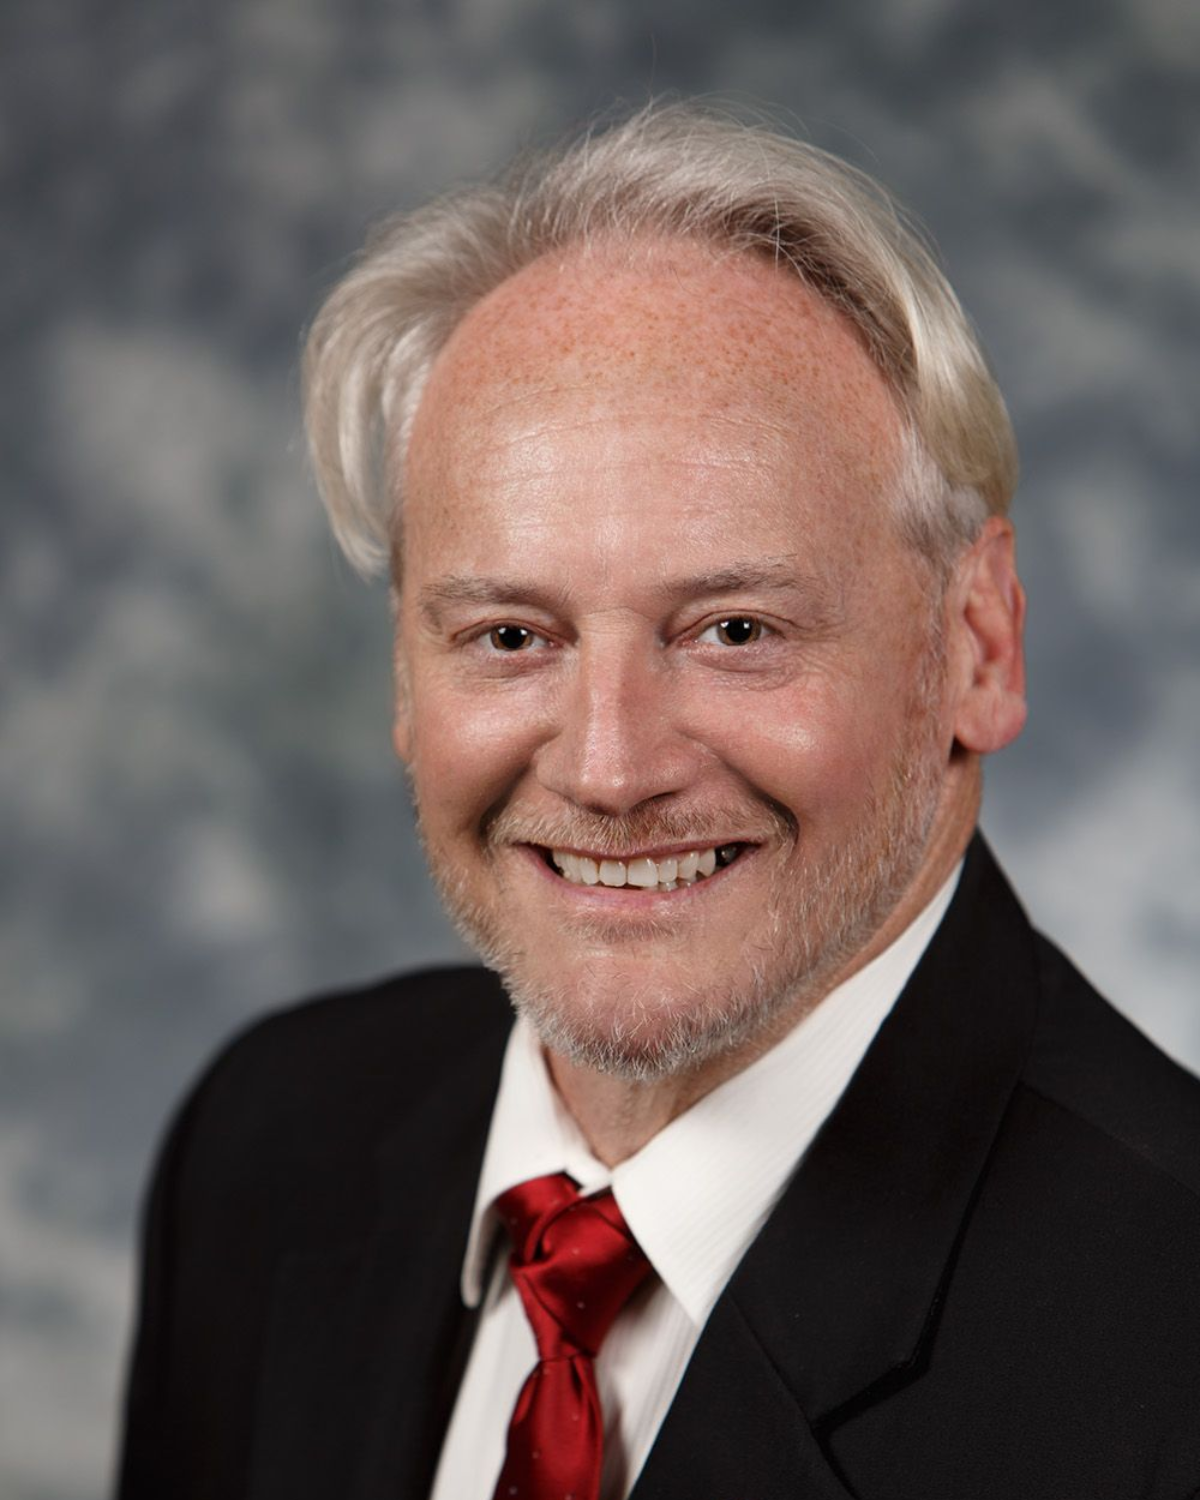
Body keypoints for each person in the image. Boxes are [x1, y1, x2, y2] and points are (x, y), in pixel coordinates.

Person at [116, 104, 1200, 1500]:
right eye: (511, 635)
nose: (611, 772)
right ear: (403, 670)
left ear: (978, 645)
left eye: (735, 630)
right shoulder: (270, 1146)